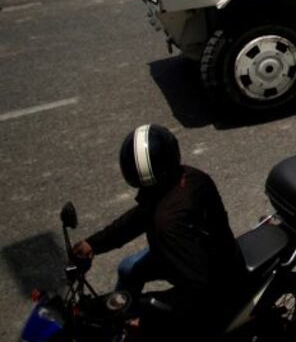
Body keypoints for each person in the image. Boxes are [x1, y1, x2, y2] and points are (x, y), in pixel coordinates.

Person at [71, 124, 244, 341]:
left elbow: (197, 285)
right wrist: (94, 243)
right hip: (194, 251)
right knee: (128, 269)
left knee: (154, 322)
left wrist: (145, 315)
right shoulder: (187, 177)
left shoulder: (168, 222)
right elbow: (137, 218)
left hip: (212, 277)